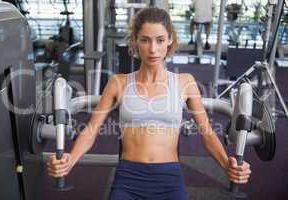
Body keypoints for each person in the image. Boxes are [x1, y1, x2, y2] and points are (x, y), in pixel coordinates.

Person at [47, 7, 251, 199]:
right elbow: (91, 130)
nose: (153, 49)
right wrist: (69, 160)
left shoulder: (185, 82)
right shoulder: (118, 82)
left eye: (160, 40)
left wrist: (227, 165)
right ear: (135, 41)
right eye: (145, 40)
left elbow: (207, 135)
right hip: (128, 177)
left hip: (169, 177)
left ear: (170, 39)